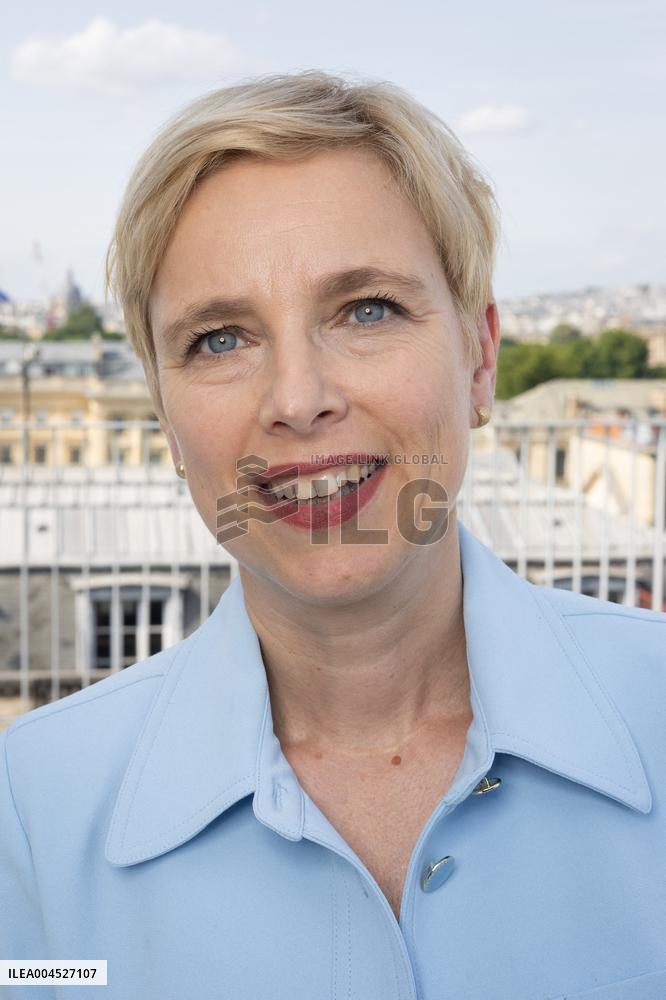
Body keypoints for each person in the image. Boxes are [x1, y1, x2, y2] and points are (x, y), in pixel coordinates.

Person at [1, 71, 665, 1000]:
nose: (299, 399)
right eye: (221, 338)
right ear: (162, 411)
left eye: (367, 310)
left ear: (481, 359)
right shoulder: (31, 809)